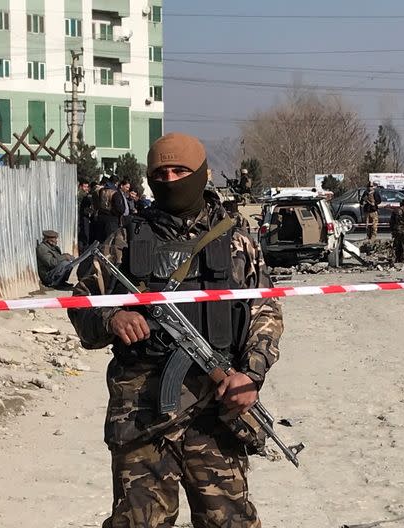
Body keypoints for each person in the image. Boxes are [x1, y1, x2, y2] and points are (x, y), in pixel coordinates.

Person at [68, 132, 283, 527]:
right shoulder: (123, 243)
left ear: (202, 174)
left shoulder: (237, 242)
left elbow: (265, 311)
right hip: (142, 416)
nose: (170, 179)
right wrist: (111, 318)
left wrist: (249, 375)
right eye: (161, 173)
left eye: (180, 170)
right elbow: (81, 303)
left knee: (230, 521)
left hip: (216, 412)